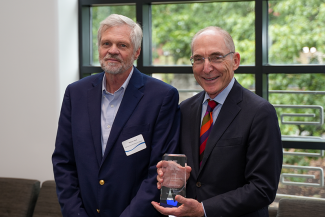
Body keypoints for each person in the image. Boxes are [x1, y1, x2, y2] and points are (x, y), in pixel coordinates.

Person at [52, 14, 180, 217]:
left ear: (136, 51)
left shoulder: (162, 96)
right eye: (106, 43)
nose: (112, 50)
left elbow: (159, 173)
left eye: (122, 45)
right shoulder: (75, 93)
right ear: (99, 48)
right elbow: (63, 162)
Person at [152, 26, 283, 217]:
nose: (206, 68)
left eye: (216, 57)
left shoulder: (260, 113)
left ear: (235, 60)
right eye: (198, 59)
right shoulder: (185, 109)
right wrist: (177, 177)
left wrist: (203, 210)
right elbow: (194, 174)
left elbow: (263, 188)